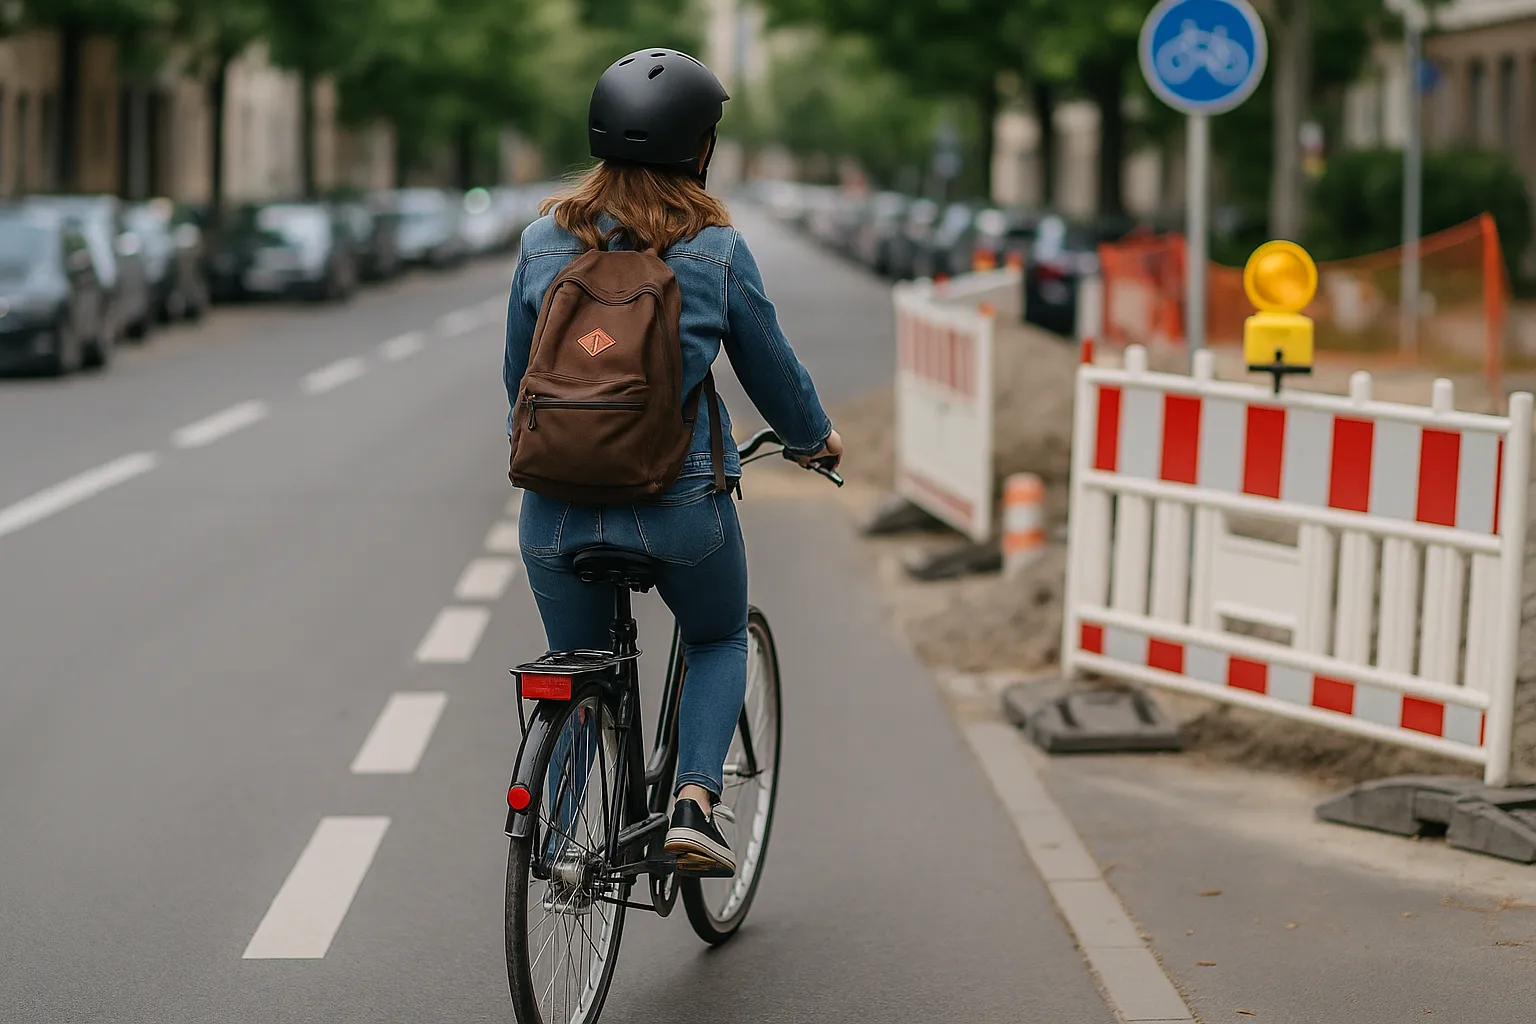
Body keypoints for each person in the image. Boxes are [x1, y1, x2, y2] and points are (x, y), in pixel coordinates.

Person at [503, 48, 842, 877]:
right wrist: (812, 439)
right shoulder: (714, 250)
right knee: (721, 634)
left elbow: (522, 384)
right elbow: (774, 373)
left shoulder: (542, 243)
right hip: (678, 506)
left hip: (554, 512)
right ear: (702, 148)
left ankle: (556, 833)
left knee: (575, 665)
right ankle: (694, 802)